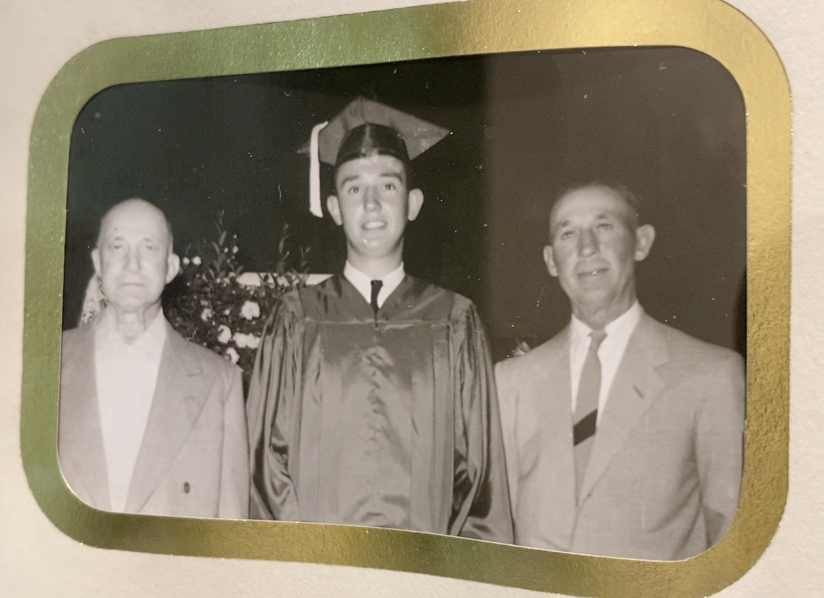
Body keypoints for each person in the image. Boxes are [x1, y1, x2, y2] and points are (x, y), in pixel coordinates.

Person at [246, 97, 512, 541]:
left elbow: (479, 483)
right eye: (353, 188)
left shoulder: (454, 321)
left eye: (387, 187)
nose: (371, 204)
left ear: (413, 203)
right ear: (334, 209)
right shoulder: (296, 319)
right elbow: (264, 470)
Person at [496, 182, 744, 559]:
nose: (586, 248)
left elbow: (732, 541)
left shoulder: (710, 375)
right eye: (568, 233)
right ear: (550, 260)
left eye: (604, 227)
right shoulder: (511, 381)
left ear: (641, 243)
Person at [59, 198, 249, 518]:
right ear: (98, 262)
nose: (132, 264)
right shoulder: (47, 365)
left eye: (148, 247)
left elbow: (230, 529)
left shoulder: (219, 383)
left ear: (171, 267)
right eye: (117, 246)